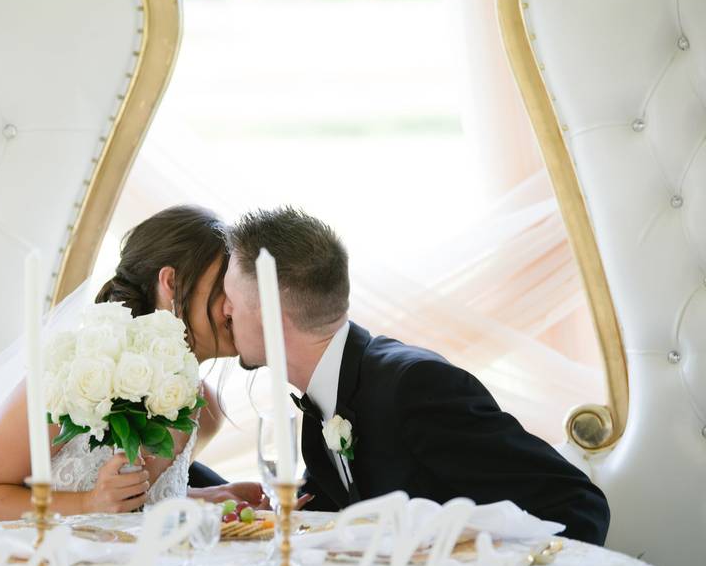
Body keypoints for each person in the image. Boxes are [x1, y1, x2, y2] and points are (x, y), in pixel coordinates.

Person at [221, 206, 611, 545]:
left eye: (231, 301)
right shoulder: (322, 399)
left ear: (273, 317)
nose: (224, 312)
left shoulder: (417, 388)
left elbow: (577, 504)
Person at [0, 205, 266, 520]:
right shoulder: (74, 376)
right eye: (225, 288)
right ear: (171, 281)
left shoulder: (205, 409)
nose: (234, 306)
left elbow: (139, 507)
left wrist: (205, 497)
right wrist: (87, 505)